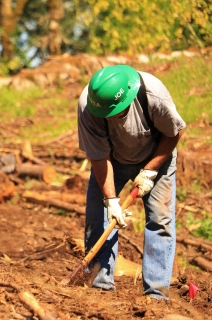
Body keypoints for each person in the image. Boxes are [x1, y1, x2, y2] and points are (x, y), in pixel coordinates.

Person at [77, 64, 186, 300]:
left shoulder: (152, 93)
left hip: (157, 155)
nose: (112, 118)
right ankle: (99, 285)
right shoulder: (88, 106)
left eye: (117, 112)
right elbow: (98, 155)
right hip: (111, 160)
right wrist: (111, 199)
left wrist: (149, 171)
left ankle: (156, 294)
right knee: (99, 217)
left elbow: (173, 133)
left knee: (160, 220)